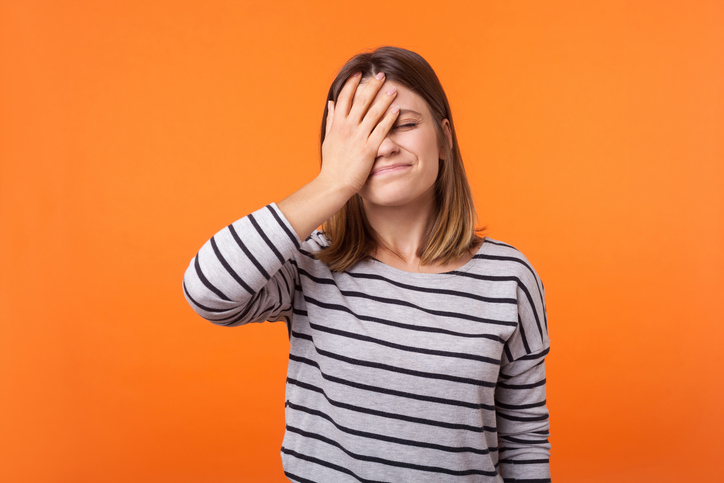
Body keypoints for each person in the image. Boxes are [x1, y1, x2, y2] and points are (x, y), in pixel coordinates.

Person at [183, 46, 551, 483]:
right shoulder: (310, 263)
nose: (385, 145)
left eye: (406, 124)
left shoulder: (508, 278)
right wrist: (334, 181)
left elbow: (524, 436)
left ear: (445, 139)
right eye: (363, 135)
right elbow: (207, 291)